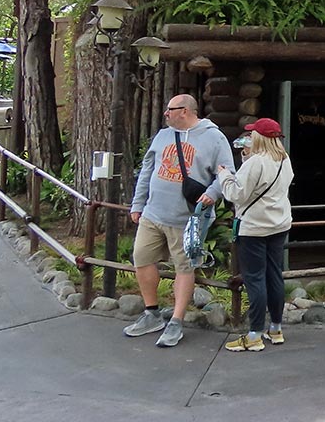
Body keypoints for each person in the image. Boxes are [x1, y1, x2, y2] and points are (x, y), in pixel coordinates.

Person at [123, 94, 233, 347]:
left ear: (184, 111)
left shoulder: (214, 138)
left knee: (184, 267)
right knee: (142, 258)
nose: (166, 114)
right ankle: (151, 313)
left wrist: (212, 194)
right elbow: (147, 171)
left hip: (188, 219)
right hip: (153, 214)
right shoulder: (163, 136)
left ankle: (176, 321)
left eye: (170, 110)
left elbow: (227, 172)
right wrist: (138, 204)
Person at [217, 117, 294, 352]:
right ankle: (276, 328)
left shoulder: (255, 163)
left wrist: (224, 175)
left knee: (255, 278)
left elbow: (236, 194)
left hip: (253, 228)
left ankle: (254, 334)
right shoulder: (284, 160)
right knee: (274, 275)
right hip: (279, 225)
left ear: (259, 137)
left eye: (252, 135)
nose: (248, 138)